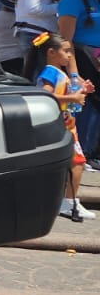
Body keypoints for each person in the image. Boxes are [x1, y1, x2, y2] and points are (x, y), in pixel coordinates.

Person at [26, 31, 95, 222]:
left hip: (66, 124)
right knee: (78, 162)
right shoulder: (50, 72)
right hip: (61, 126)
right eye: (65, 51)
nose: (69, 55)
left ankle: (67, 200)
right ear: (51, 52)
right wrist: (73, 97)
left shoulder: (58, 73)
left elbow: (66, 100)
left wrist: (82, 91)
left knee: (74, 163)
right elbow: (45, 96)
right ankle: (69, 201)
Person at [53, 0, 100, 170]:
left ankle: (93, 151)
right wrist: (75, 74)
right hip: (83, 60)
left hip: (94, 58)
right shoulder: (72, 0)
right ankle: (87, 152)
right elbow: (66, 40)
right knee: (89, 106)